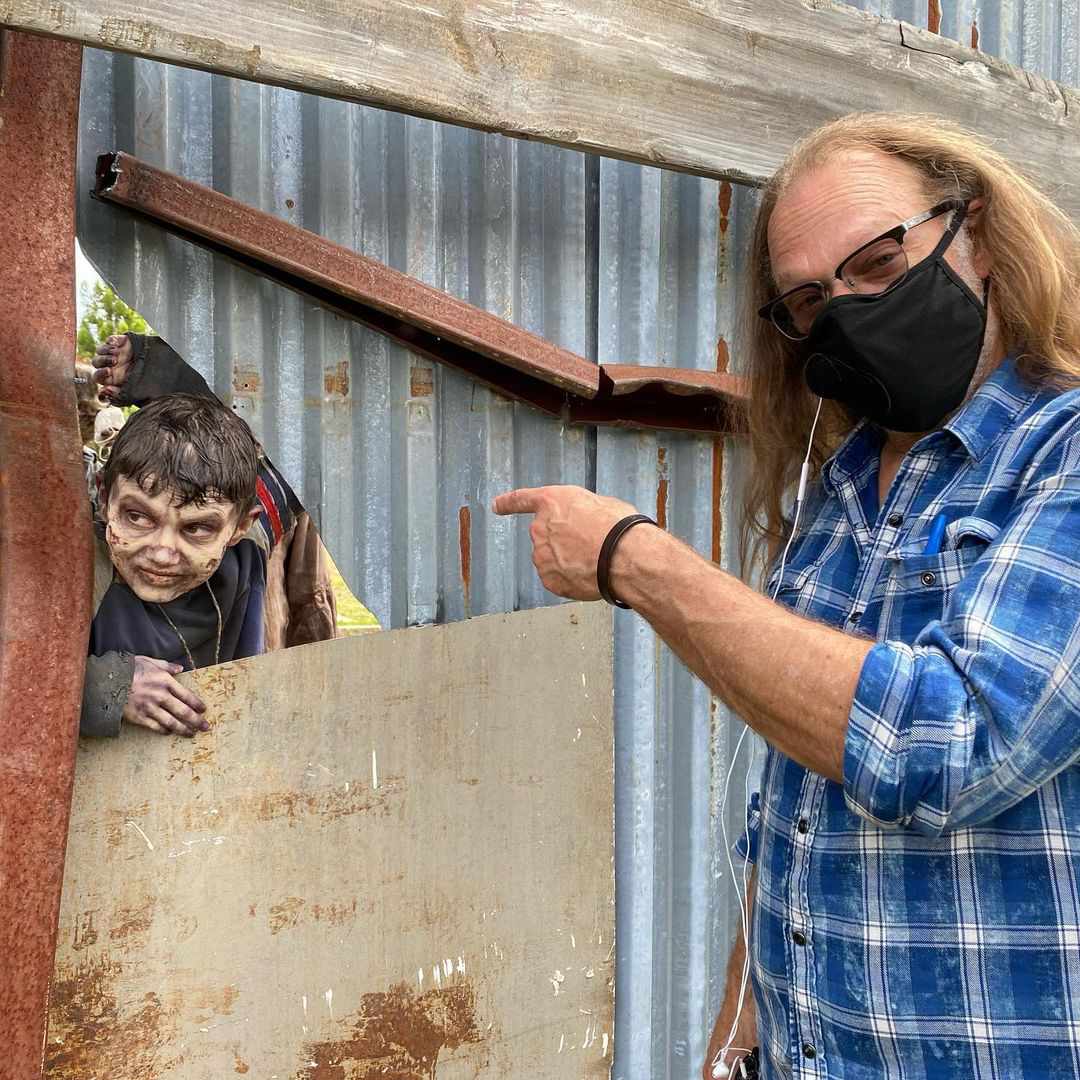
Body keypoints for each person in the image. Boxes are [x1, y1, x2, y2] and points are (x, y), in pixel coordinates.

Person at [494, 112, 1080, 1079]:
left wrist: (638, 562)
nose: (847, 312)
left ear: (973, 234)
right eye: (811, 299)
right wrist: (735, 1044)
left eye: (880, 262)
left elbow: (954, 742)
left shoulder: (1059, 452)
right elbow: (794, 818)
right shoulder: (839, 492)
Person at [82, 333, 337, 737]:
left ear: (239, 526)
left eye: (196, 528)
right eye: (137, 517)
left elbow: (316, 435)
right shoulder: (68, 566)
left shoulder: (247, 548)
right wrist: (102, 685)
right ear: (102, 494)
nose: (163, 553)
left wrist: (161, 371)